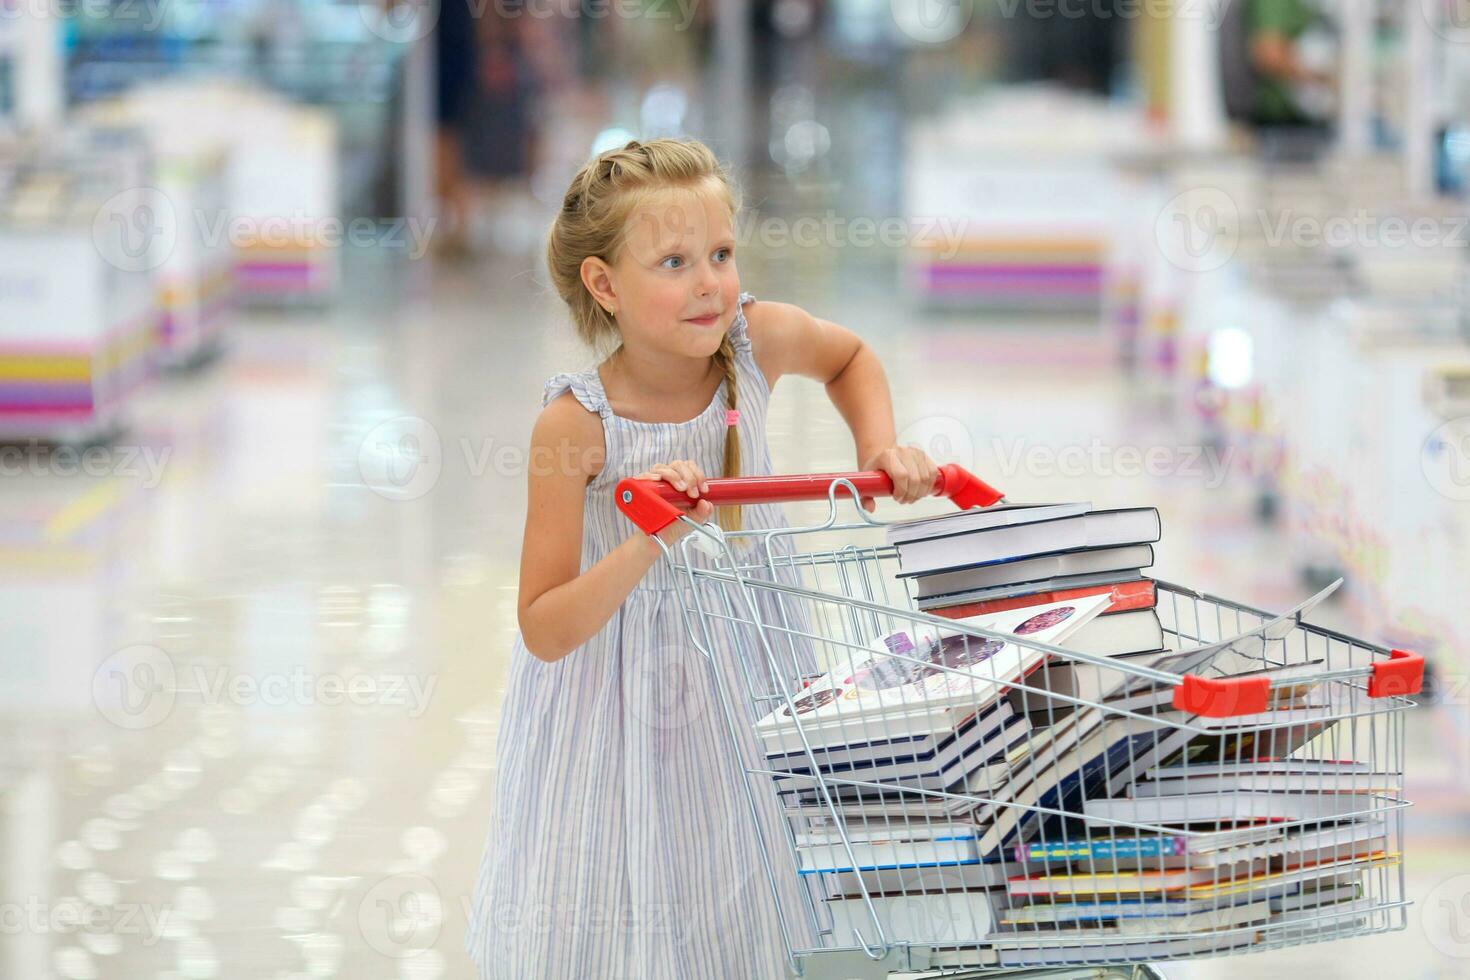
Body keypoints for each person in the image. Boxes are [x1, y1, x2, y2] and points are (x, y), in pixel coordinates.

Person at [464, 138, 943, 978]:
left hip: (750, 660)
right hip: (610, 705)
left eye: (720, 254)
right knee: (624, 888)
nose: (710, 282)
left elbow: (851, 357)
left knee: (747, 874)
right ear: (605, 285)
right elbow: (543, 625)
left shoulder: (754, 346)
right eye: (675, 262)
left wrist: (880, 449)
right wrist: (653, 534)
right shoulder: (576, 427)